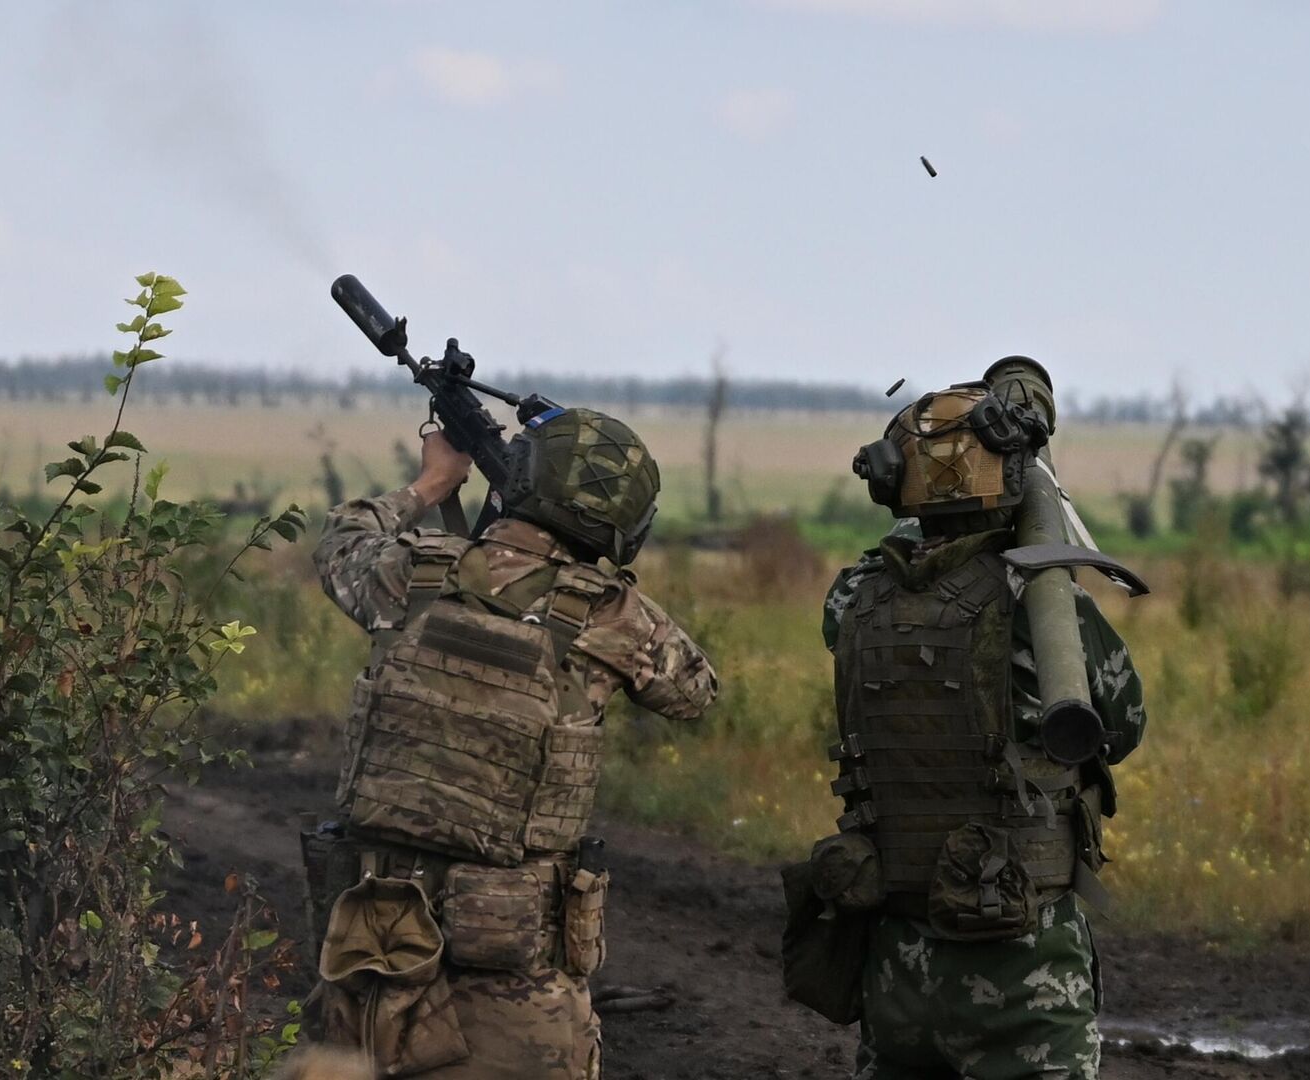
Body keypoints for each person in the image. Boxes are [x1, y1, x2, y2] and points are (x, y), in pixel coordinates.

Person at [306, 409, 718, 1080]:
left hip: (375, 954)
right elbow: (695, 691)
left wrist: (435, 482)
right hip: (519, 974)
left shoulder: (412, 571)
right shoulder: (611, 615)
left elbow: (341, 541)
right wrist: (600, 583)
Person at [793, 357, 1146, 1080]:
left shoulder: (853, 598)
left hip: (896, 968)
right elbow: (1125, 721)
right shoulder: (1038, 605)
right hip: (1024, 969)